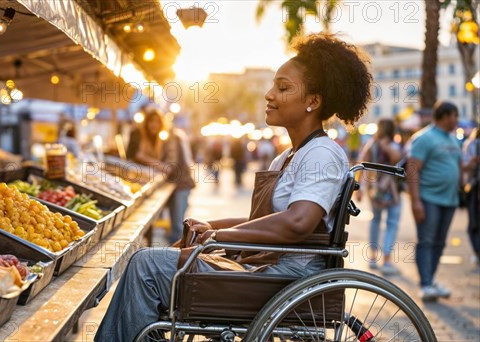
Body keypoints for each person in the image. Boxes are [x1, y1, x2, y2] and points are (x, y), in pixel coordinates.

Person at [94, 33, 373, 340]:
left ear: (313, 101)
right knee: (155, 259)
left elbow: (297, 222)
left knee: (145, 265)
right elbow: (261, 222)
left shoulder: (322, 153)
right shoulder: (286, 156)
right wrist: (209, 225)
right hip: (265, 271)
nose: (269, 95)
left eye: (283, 87)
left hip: (286, 279)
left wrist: (219, 236)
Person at [406, 101, 462, 301]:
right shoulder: (424, 138)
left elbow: (457, 166)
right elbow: (412, 169)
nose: (457, 120)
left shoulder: (453, 139)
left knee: (439, 242)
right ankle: (426, 284)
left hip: (450, 200)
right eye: (455, 116)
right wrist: (415, 201)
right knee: (427, 241)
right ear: (445, 116)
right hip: (429, 199)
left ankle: (431, 279)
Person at [127, 108, 196, 244]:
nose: (153, 125)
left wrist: (143, 158)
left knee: (177, 225)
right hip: (173, 185)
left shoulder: (171, 137)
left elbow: (170, 167)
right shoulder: (163, 137)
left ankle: (178, 259)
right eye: (150, 122)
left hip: (181, 184)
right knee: (172, 225)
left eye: (157, 122)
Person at [356, 119, 403, 275]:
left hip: (379, 190)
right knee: (390, 223)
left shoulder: (373, 144)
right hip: (389, 191)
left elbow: (361, 166)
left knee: (378, 221)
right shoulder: (390, 145)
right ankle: (384, 258)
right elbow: (396, 158)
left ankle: (376, 256)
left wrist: (360, 188)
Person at [462, 128, 479, 267]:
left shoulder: (471, 144)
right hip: (474, 187)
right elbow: (464, 166)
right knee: (474, 222)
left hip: (473, 187)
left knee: (474, 222)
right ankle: (477, 251)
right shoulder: (472, 144)